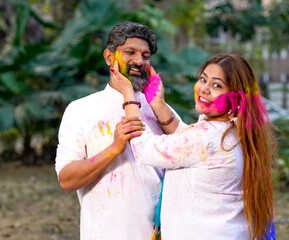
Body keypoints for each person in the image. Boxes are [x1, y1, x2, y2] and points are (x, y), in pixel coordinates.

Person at [111, 53, 276, 240]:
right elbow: (188, 146)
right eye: (203, 79)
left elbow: (146, 149)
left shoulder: (207, 137)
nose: (204, 89)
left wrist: (129, 96)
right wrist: (158, 104)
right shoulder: (234, 131)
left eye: (217, 85)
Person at [55, 22, 178, 239]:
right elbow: (66, 180)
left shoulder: (160, 108)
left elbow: (189, 153)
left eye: (146, 56)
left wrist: (160, 106)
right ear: (109, 57)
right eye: (130, 52)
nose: (139, 61)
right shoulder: (81, 110)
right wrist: (114, 148)